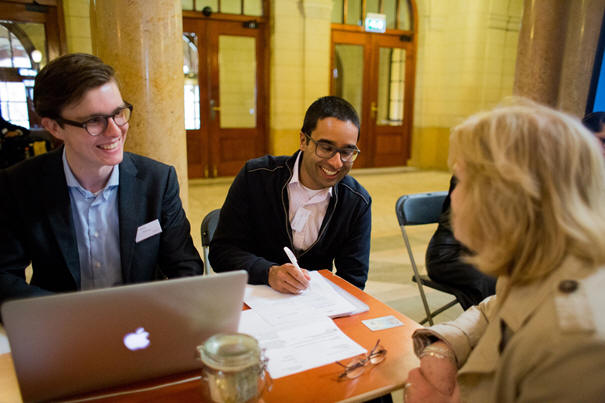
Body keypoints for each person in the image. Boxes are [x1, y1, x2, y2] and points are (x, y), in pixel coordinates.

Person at [404, 99, 605, 402]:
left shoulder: (575, 341)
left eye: (462, 180)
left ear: (506, 197)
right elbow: (496, 308)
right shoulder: (540, 260)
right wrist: (443, 346)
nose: (453, 197)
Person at [0, 53, 203, 309]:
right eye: (94, 120)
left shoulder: (157, 180)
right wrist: (68, 315)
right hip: (63, 326)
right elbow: (4, 276)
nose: (115, 130)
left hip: (142, 320)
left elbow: (186, 266)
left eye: (118, 113)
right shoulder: (19, 185)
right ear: (54, 127)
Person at [209, 96, 371, 294]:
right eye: (326, 148)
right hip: (252, 296)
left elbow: (353, 281)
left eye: (347, 152)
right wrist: (268, 272)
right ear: (303, 140)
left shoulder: (356, 201)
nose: (336, 163)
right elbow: (221, 252)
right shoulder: (256, 177)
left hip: (313, 308)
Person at [425, 176, 496, 309]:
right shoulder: (470, 172)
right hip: (448, 256)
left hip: (481, 251)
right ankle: (492, 323)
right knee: (491, 278)